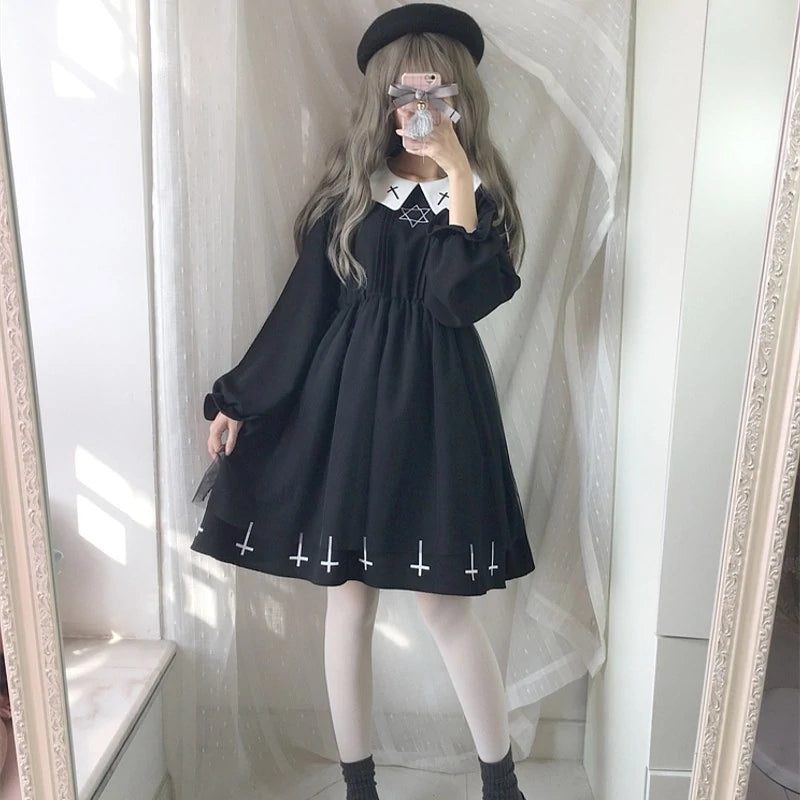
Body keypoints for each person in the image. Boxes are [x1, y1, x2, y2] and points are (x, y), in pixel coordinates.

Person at [190, 4, 535, 798]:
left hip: (443, 415)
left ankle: (501, 782)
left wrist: (457, 175)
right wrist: (240, 399)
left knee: (446, 609)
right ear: (383, 97)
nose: (417, 109)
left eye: (434, 93)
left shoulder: (480, 200)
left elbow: (455, 299)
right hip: (346, 411)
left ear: (459, 99)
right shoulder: (353, 196)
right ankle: (359, 786)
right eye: (403, 93)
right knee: (349, 604)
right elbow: (303, 310)